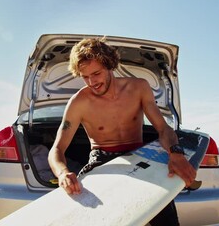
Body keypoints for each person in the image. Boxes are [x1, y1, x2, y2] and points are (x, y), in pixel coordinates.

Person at [48, 37, 196, 225]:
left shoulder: (139, 87)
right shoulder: (79, 103)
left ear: (110, 66)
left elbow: (163, 128)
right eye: (85, 77)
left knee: (166, 219)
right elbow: (56, 150)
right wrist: (62, 173)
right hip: (102, 160)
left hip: (139, 155)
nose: (91, 82)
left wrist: (176, 153)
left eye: (96, 73)